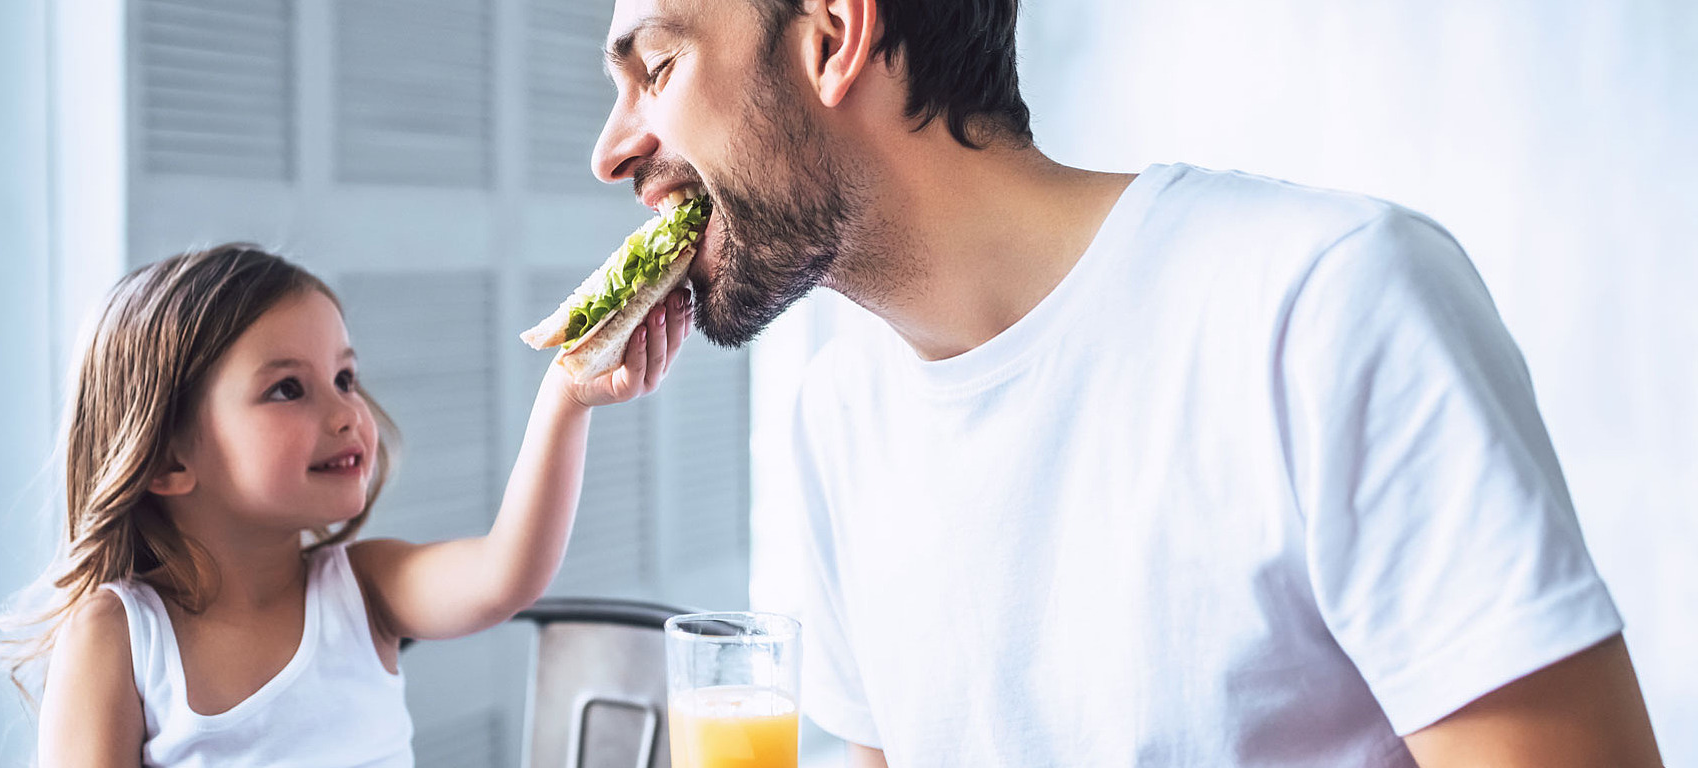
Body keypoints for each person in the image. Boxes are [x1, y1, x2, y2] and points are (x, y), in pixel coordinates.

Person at [587, 0, 1663, 765]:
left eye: (659, 68)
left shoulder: (1326, 303)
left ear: (833, 35)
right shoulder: (838, 418)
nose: (609, 149)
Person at [0, 245, 691, 766]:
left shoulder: (364, 588)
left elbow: (508, 573)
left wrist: (567, 396)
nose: (348, 412)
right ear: (167, 458)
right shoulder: (120, 637)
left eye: (345, 376)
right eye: (288, 388)